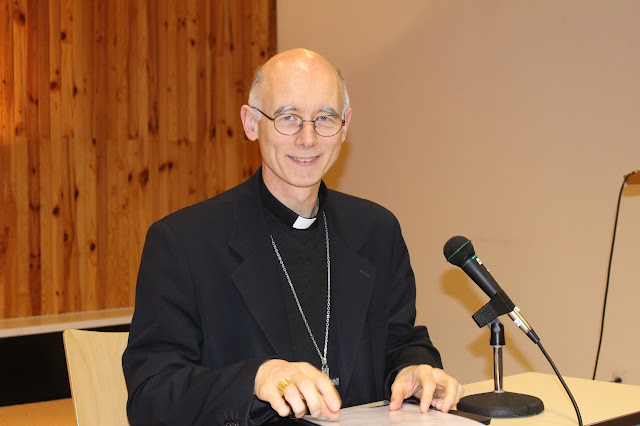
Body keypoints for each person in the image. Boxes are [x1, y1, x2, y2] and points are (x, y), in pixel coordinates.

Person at [122, 48, 464, 425]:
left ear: (345, 126)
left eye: (324, 118)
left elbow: (400, 342)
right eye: (288, 118)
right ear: (251, 123)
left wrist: (414, 369)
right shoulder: (183, 243)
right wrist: (255, 379)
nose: (307, 138)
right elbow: (150, 396)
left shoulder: (377, 230)